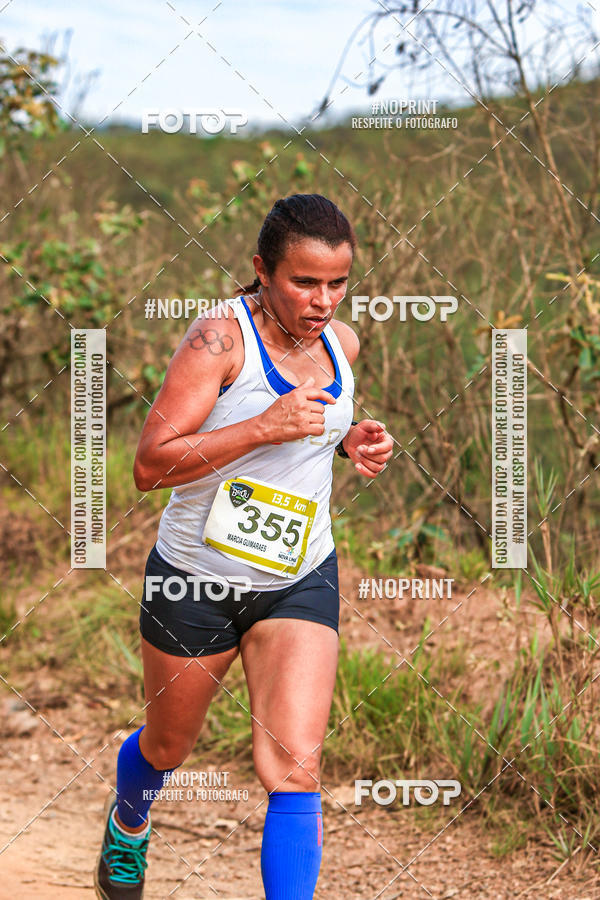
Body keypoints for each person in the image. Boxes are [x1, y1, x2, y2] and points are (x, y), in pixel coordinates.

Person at [94, 193, 393, 899]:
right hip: (195, 581)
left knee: (295, 766)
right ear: (262, 270)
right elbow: (150, 465)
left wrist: (349, 440)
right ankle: (129, 823)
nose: (323, 301)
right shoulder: (217, 341)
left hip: (298, 576)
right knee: (167, 746)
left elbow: (310, 429)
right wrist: (264, 426)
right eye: (304, 282)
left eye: (337, 283)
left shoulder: (343, 344)